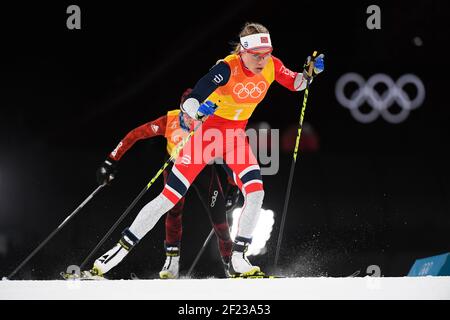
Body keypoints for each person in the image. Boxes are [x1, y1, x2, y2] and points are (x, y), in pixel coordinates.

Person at [88, 22, 324, 278]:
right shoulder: (226, 68)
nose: (262, 60)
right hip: (206, 137)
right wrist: (198, 111)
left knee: (256, 192)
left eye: (266, 54)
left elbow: (297, 84)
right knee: (169, 198)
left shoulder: (272, 65)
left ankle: (239, 259)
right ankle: (113, 255)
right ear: (242, 51)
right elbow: (191, 101)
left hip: (235, 138)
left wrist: (309, 73)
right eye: (257, 55)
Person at [95, 89, 240, 279]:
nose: (191, 121)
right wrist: (111, 160)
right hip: (176, 167)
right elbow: (135, 135)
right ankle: (172, 260)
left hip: (203, 169)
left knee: (219, 218)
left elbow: (229, 155)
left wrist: (233, 186)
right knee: (173, 210)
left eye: (197, 116)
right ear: (181, 109)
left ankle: (231, 262)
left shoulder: (210, 124)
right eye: (187, 115)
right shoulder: (169, 120)